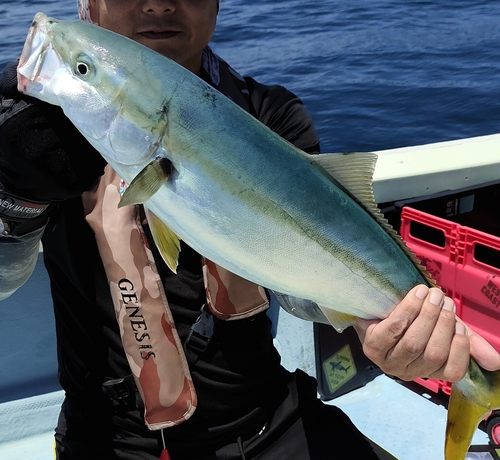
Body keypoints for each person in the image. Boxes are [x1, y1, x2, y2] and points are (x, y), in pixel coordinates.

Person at [0, 1, 499, 459]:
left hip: (265, 421)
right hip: (106, 438)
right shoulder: (29, 120)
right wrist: (15, 192)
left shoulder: (271, 114)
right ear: (89, 3)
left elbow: (298, 288)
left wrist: (381, 323)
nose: (158, 2)